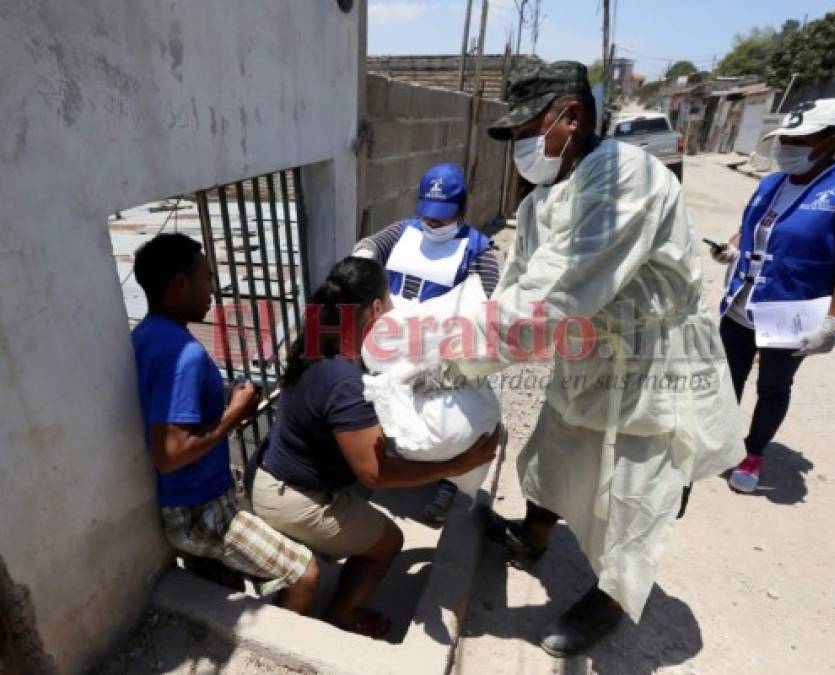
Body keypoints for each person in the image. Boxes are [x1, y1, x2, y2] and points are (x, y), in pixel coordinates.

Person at [415, 61, 745, 656]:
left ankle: (612, 598)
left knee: (630, 484)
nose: (519, 145)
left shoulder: (625, 179)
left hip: (648, 364)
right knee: (558, 445)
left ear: (572, 116)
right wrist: (462, 328)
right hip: (589, 346)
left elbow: (556, 294)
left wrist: (459, 360)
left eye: (526, 129)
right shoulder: (549, 195)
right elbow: (519, 282)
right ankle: (534, 534)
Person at [250, 256, 499, 638]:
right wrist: (454, 465)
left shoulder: (322, 344)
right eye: (391, 308)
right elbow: (375, 473)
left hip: (278, 477)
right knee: (389, 542)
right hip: (292, 497)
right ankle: (341, 613)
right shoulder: (343, 380)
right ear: (376, 309)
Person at [131, 233, 319, 615]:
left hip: (192, 503)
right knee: (306, 573)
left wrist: (228, 407)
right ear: (180, 284)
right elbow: (170, 454)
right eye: (207, 279)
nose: (213, 292)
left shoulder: (146, 334)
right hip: (199, 512)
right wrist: (235, 411)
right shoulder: (181, 354)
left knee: (224, 589)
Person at [710, 99, 835, 494]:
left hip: (790, 312)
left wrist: (834, 322)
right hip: (742, 303)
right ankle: (718, 442)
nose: (787, 144)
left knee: (773, 385)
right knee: (725, 377)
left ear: (831, 140)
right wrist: (731, 249)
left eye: (799, 138)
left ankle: (753, 452)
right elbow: (749, 229)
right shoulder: (771, 182)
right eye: (785, 137)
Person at [353, 163, 501, 524]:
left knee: (443, 418)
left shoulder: (477, 248)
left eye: (442, 218)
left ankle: (448, 479)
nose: (433, 225)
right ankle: (383, 465)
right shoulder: (402, 232)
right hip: (390, 345)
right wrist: (364, 258)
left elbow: (493, 300)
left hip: (438, 353)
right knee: (383, 405)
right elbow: (370, 245)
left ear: (462, 208)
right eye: (428, 216)